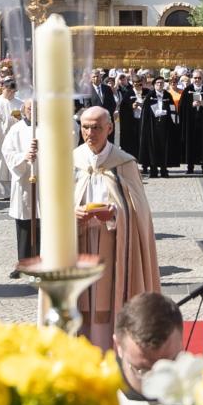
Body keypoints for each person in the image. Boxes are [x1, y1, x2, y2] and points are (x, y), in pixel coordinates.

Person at [73, 105, 160, 350]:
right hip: (78, 244)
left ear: (109, 128)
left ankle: (110, 351)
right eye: (85, 127)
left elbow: (140, 212)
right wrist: (71, 213)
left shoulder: (123, 163)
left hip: (113, 245)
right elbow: (55, 204)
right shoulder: (72, 161)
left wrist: (115, 214)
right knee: (81, 300)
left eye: (96, 128)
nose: (90, 133)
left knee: (107, 299)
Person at [2, 97, 41, 263]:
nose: (33, 111)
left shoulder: (49, 128)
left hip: (44, 182)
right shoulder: (16, 129)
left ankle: (42, 260)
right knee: (25, 222)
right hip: (24, 181)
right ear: (24, 110)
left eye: (36, 108)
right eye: (30, 108)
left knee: (43, 222)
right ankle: (24, 262)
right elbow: (8, 152)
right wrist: (24, 157)